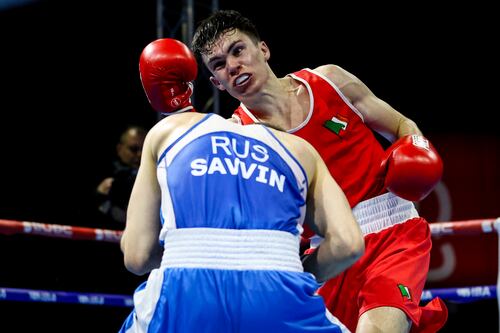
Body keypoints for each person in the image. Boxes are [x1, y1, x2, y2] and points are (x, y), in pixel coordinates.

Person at [188, 10, 448, 333]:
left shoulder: (329, 81)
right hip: (327, 256)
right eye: (219, 65)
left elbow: (400, 125)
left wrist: (417, 148)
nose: (232, 66)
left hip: (393, 232)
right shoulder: (240, 138)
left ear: (263, 50)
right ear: (217, 83)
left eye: (238, 50)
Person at [118, 109, 365, 332]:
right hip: (278, 289)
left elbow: (137, 258)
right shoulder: (301, 149)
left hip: (184, 290)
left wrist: (193, 253)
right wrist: (293, 271)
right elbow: (348, 244)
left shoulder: (169, 130)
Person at [95, 125, 147, 226]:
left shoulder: (156, 176)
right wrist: (99, 196)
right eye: (134, 149)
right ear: (119, 149)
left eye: (144, 149)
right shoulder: (104, 175)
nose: (140, 154)